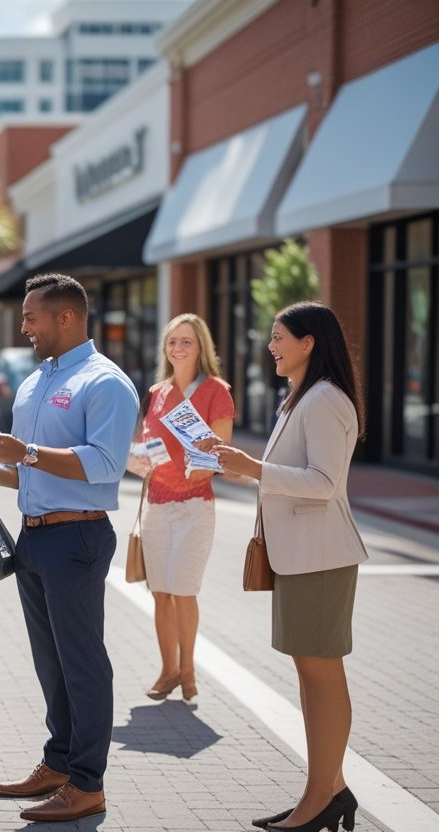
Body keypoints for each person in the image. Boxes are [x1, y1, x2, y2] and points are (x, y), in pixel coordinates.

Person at [199, 301, 366, 832]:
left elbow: (323, 484)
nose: (270, 346)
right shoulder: (299, 399)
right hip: (301, 557)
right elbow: (283, 474)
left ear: (308, 341)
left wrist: (253, 467)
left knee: (321, 672)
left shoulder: (324, 401)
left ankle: (322, 795)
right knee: (310, 671)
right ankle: (328, 790)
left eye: (278, 337)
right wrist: (238, 465)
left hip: (320, 557)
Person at [0, 273, 138, 824]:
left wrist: (26, 454)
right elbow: (25, 472)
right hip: (34, 535)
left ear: (65, 317)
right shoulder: (34, 382)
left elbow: (104, 464)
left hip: (77, 536)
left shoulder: (106, 383)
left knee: (82, 662)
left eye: (31, 317)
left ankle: (88, 784)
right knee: (51, 663)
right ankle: (59, 763)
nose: (24, 326)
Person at [126, 314, 233, 707]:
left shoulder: (217, 391)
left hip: (195, 505)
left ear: (200, 346)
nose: (178, 349)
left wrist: (203, 460)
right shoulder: (157, 392)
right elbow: (146, 443)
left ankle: (188, 670)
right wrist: (137, 459)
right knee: (161, 593)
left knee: (184, 591)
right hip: (156, 502)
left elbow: (223, 454)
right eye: (172, 342)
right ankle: (167, 669)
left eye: (186, 341)